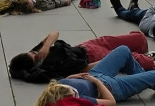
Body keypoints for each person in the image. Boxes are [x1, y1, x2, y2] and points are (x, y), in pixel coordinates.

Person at [29, 46, 155, 106]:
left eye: (69, 87)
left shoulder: (61, 86)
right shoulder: (82, 99)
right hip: (111, 87)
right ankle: (145, 79)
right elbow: (111, 103)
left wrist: (72, 77)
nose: (72, 89)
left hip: (95, 74)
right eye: (72, 92)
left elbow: (66, 81)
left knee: (123, 50)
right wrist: (97, 82)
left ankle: (143, 78)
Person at [9, 30, 155, 83]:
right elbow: (83, 69)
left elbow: (54, 33)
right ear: (34, 66)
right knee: (128, 55)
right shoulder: (48, 69)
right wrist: (107, 61)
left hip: (85, 46)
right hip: (91, 56)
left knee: (139, 38)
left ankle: (144, 53)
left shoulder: (38, 52)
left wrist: (45, 46)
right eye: (34, 57)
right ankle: (149, 61)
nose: (36, 54)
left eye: (32, 52)